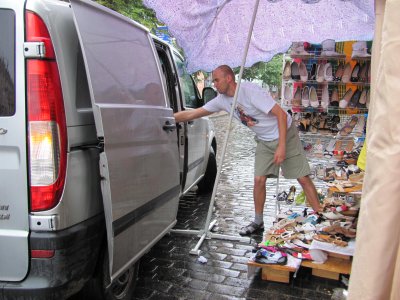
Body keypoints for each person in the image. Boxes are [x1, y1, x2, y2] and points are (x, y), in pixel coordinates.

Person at [174, 65, 322, 236]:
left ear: (228, 78)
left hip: (285, 133)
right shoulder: (221, 100)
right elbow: (194, 114)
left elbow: (281, 115)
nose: (214, 84)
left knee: (302, 178)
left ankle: (320, 217)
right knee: (259, 180)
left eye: (216, 80)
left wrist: (282, 146)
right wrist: (166, 118)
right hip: (264, 140)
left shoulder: (250, 92)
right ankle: (258, 221)